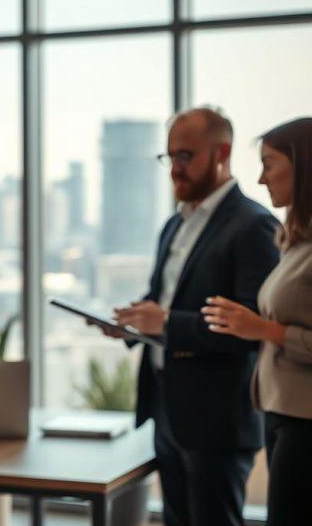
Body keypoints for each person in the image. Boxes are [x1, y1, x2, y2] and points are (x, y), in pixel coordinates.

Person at [102, 107, 279, 526]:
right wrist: (129, 322)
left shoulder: (253, 226)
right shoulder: (173, 226)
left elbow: (250, 328)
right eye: (169, 158)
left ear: (222, 152)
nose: (175, 169)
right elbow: (164, 298)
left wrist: (164, 323)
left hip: (218, 419)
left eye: (185, 156)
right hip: (167, 409)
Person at [201, 117, 312, 526]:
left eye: (269, 163)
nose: (262, 179)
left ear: (303, 166)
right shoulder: (295, 241)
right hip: (282, 412)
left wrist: (265, 330)